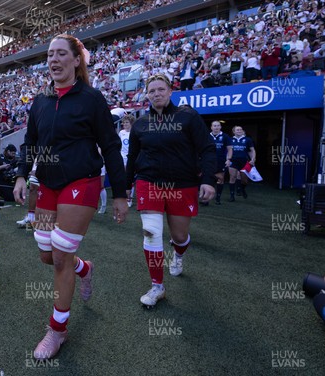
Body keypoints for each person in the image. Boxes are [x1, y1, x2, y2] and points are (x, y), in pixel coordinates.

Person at [13, 33, 128, 360]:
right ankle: (84, 268)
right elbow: (29, 144)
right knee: (48, 256)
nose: (53, 59)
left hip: (82, 181)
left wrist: (120, 193)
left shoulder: (92, 99)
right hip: (47, 185)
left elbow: (110, 147)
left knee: (60, 257)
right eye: (50, 54)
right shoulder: (40, 101)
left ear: (77, 60)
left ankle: (57, 331)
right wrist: (21, 174)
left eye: (61, 53)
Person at [126, 73, 216, 308]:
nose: (157, 93)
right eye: (152, 90)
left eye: (161, 89)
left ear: (170, 91)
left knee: (179, 236)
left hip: (182, 184)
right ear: (147, 95)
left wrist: (208, 180)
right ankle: (157, 286)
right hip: (149, 182)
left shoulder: (188, 117)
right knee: (152, 232)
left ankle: (178, 254)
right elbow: (133, 157)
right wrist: (124, 186)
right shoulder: (140, 123)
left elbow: (207, 148)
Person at [226, 126, 256, 201]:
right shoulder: (230, 139)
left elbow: (252, 150)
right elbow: (228, 150)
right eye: (237, 130)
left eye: (240, 129)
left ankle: (242, 189)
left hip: (244, 161)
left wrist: (253, 159)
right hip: (233, 161)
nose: (239, 130)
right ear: (234, 131)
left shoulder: (247, 139)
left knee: (244, 180)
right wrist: (228, 159)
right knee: (232, 177)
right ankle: (232, 196)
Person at [209, 120, 231, 205]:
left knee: (220, 179)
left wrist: (228, 159)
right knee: (208, 179)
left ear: (220, 127)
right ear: (211, 127)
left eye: (218, 125)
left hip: (220, 161)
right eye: (214, 126)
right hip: (209, 161)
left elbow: (230, 149)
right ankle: (206, 199)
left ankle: (218, 198)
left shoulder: (225, 136)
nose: (216, 127)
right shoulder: (207, 136)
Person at [119, 114, 135, 207]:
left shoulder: (134, 132)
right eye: (124, 122)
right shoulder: (121, 132)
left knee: (130, 178)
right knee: (124, 177)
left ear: (131, 123)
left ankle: (130, 199)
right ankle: (124, 196)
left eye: (126, 122)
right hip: (122, 157)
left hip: (131, 158)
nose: (124, 124)